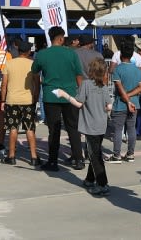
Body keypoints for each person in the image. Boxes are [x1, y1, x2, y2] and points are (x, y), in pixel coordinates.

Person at [55, 58, 112, 195]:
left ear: (91, 70)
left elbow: (79, 103)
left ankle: (102, 184)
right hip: (101, 125)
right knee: (95, 152)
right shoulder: (103, 87)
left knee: (95, 155)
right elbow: (109, 106)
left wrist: (64, 95)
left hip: (90, 126)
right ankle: (89, 179)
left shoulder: (86, 84)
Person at [32, 26, 85, 171]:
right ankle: (78, 159)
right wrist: (82, 94)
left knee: (53, 130)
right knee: (73, 128)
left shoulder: (42, 54)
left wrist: (36, 93)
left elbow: (34, 73)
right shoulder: (71, 54)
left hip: (51, 95)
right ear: (61, 38)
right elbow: (78, 75)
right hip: (70, 95)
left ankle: (53, 162)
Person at [0, 40, 41, 166]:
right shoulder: (32, 64)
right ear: (29, 51)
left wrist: (2, 100)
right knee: (30, 128)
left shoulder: (9, 64)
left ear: (18, 51)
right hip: (28, 100)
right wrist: (35, 97)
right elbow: (37, 83)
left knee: (13, 128)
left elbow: (4, 84)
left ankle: (11, 156)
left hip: (12, 100)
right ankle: (34, 157)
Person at [107, 40, 141, 163]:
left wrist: (126, 98)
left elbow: (119, 86)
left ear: (121, 54)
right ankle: (131, 154)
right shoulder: (137, 70)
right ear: (132, 54)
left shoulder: (117, 70)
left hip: (120, 103)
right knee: (131, 128)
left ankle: (116, 155)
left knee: (118, 129)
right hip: (135, 103)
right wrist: (130, 96)